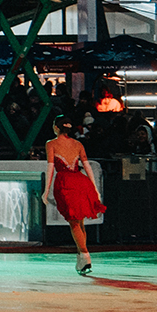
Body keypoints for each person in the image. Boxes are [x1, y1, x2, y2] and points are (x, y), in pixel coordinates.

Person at [44, 117, 105, 275]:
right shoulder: (78, 144)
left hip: (66, 183)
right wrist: (95, 188)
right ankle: (82, 258)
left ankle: (85, 256)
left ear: (57, 128)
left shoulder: (51, 144)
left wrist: (46, 190)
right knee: (80, 221)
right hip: (81, 181)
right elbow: (87, 166)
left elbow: (50, 168)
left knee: (74, 222)